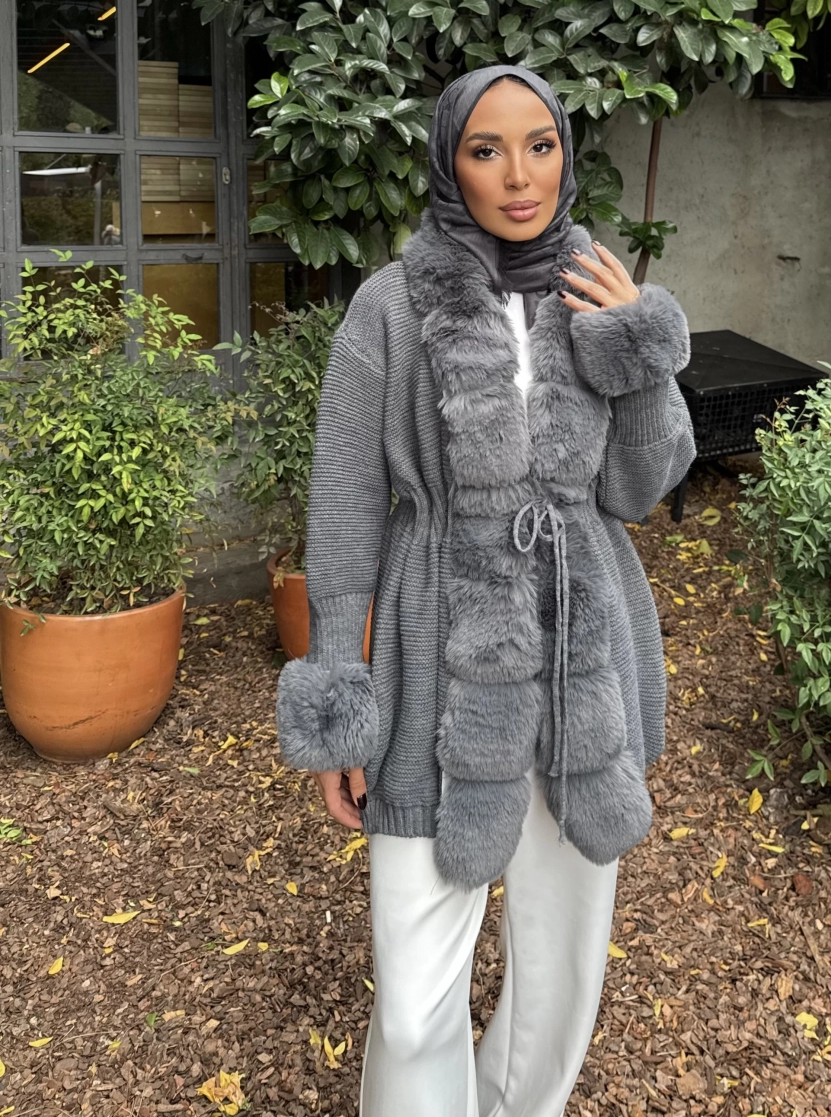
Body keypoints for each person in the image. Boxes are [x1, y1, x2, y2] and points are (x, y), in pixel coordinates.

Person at [276, 64, 695, 1117]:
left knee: (562, 970)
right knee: (416, 1000)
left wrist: (639, 350)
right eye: (486, 149)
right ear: (447, 162)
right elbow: (344, 506)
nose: (519, 176)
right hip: (436, 659)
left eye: (540, 145)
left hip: (579, 657)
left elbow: (639, 490)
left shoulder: (597, 287)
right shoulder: (389, 306)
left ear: (564, 153)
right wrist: (339, 696)